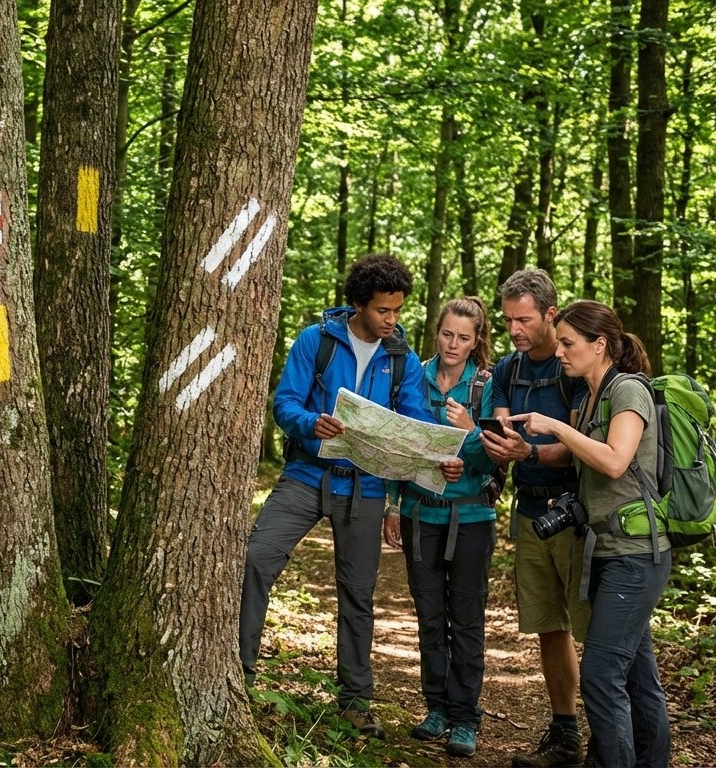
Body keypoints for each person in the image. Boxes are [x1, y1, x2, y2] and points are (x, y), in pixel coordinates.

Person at [239, 254, 463, 739]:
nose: (392, 320)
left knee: (358, 594)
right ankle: (240, 676)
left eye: (399, 310)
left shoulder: (399, 358)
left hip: (365, 487)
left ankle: (357, 702)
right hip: (306, 474)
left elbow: (411, 425)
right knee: (258, 557)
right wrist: (309, 423)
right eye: (384, 310)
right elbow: (285, 402)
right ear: (359, 304)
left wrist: (433, 459)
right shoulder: (316, 341)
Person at [508, 299, 671, 767]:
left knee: (601, 676)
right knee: (639, 678)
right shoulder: (590, 396)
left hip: (636, 556)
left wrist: (556, 425)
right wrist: (531, 452)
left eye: (568, 343)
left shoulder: (629, 392)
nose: (559, 351)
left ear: (600, 345)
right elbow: (580, 456)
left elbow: (616, 459)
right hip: (606, 549)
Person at [479, 269, 589, 767]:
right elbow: (505, 434)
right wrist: (495, 446)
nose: (515, 330)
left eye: (524, 320)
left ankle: (617, 739)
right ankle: (566, 734)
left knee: (596, 629)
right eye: (507, 321)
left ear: (550, 313)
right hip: (529, 511)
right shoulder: (507, 368)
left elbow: (586, 449)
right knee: (550, 627)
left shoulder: (577, 369)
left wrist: (530, 453)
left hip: (576, 512)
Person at [384, 297, 498, 758]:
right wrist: (393, 504)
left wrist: (469, 433)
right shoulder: (416, 373)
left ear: (477, 342)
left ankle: (465, 718)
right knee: (429, 617)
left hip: (470, 518)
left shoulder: (486, 385)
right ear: (438, 331)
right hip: (418, 514)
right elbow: (397, 440)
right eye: (448, 334)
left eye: (464, 338)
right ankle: (436, 707)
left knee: (465, 621)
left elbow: (494, 452)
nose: (454, 345)